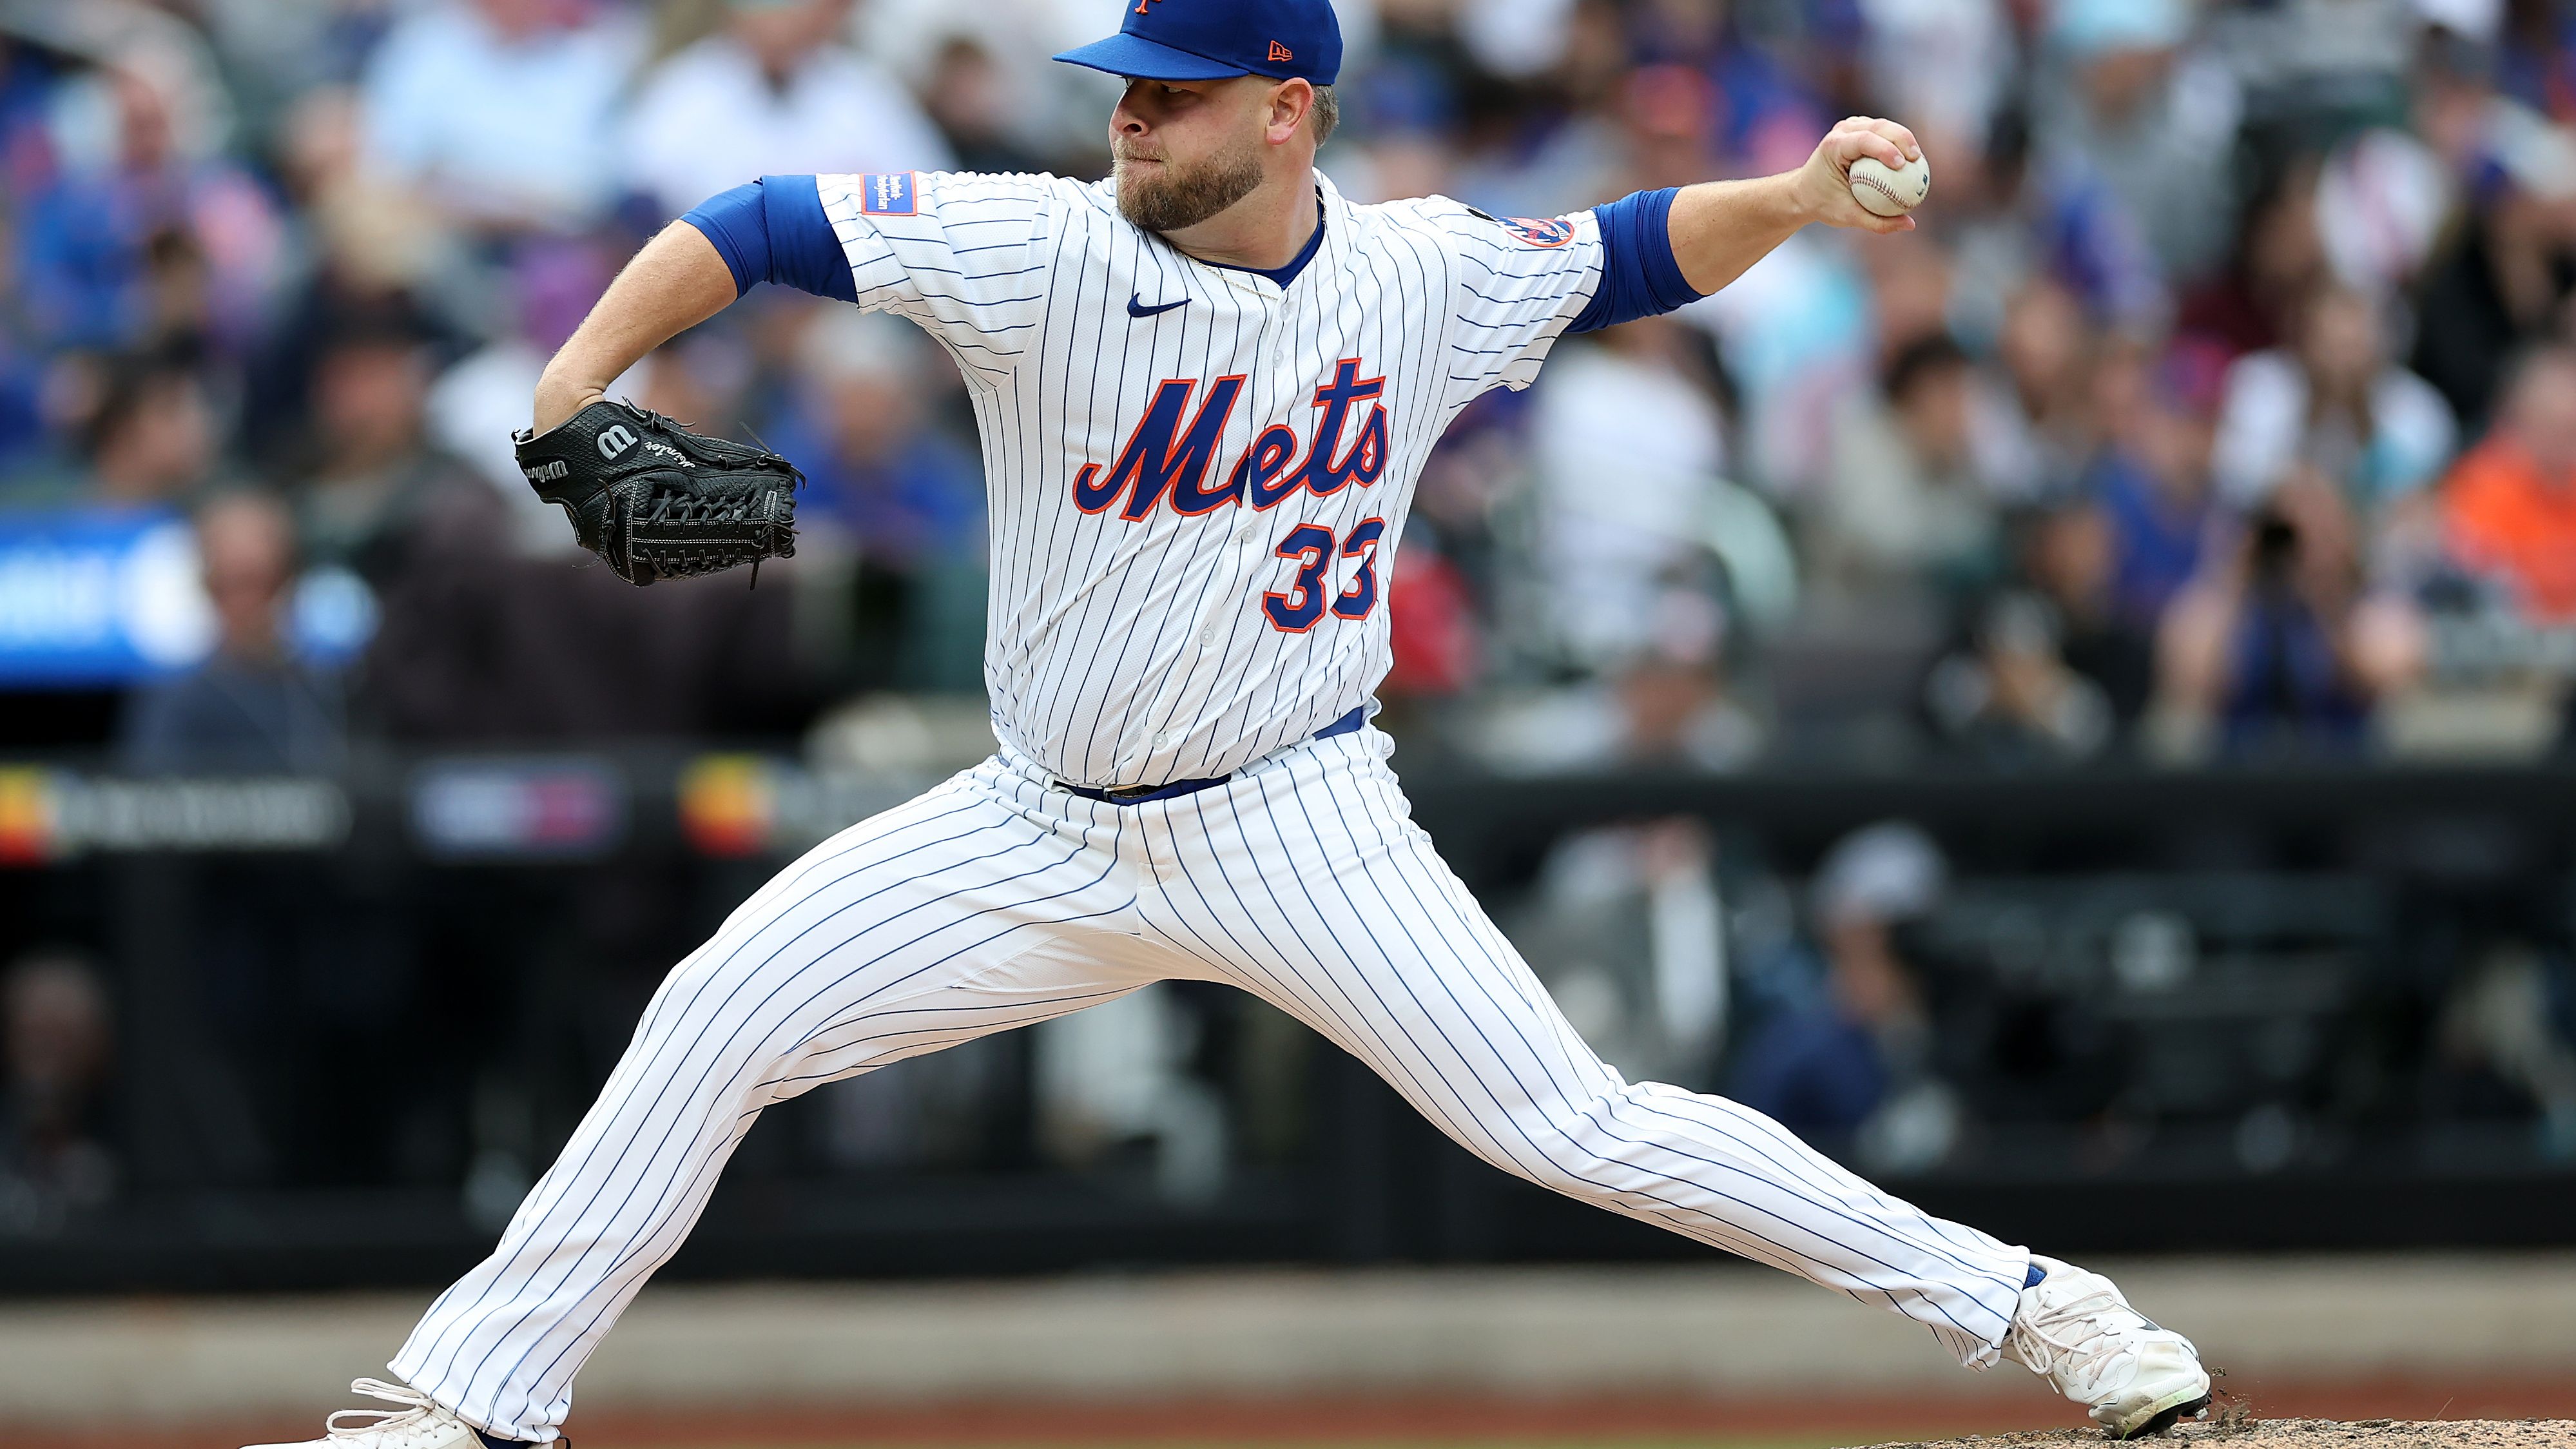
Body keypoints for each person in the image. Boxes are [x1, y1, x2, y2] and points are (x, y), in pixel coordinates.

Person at [251, 3, 2211, 1445]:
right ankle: (465, 1407)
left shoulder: (1419, 273)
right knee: (714, 1016)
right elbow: (761, 216)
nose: (1130, 115)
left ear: (1288, 109)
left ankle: (2037, 1305)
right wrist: (573, 380)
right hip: (1035, 826)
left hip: (1298, 819)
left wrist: (1787, 193)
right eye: (1124, 84)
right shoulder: (1042, 249)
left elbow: (1625, 254)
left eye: (1173, 90)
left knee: (1578, 1126)